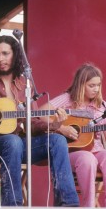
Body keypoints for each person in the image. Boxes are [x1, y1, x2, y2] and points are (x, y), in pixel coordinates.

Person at [0, 35, 79, 206]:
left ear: (16, 55)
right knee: (13, 141)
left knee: (56, 140)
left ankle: (68, 203)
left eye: (5, 53)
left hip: (17, 144)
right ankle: (12, 205)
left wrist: (54, 125)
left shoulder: (24, 84)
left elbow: (32, 124)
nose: (0, 59)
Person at [40, 62, 106, 207]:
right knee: (87, 159)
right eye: (91, 85)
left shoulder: (102, 106)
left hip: (97, 150)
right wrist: (62, 128)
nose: (96, 89)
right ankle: (89, 205)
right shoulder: (67, 99)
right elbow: (41, 113)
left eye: (98, 85)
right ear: (81, 85)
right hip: (72, 153)